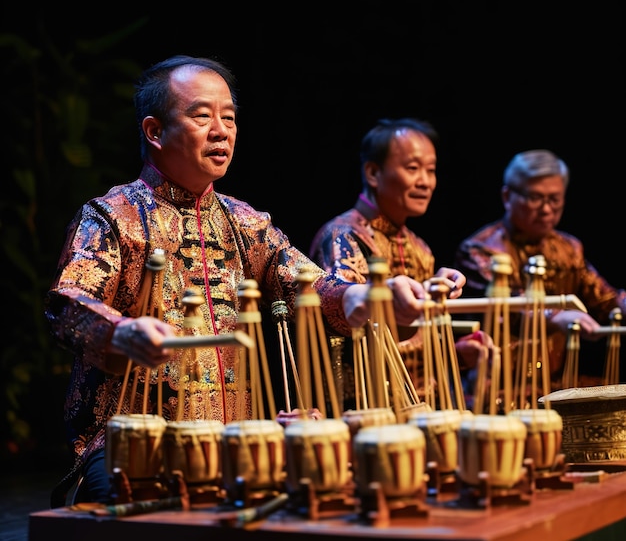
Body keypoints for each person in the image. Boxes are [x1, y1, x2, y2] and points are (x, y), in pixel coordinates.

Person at [44, 56, 465, 507]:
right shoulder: (114, 217)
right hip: (132, 446)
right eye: (201, 115)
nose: (221, 130)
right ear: (154, 131)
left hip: (232, 442)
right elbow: (67, 304)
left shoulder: (246, 224)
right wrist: (121, 332)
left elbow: (311, 286)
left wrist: (369, 296)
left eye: (228, 117)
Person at [309, 117, 487, 408]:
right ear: (373, 172)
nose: (425, 181)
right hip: (369, 410)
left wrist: (457, 353)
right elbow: (353, 332)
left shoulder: (420, 248)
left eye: (431, 170)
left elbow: (418, 345)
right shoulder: (344, 235)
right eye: (413, 168)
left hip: (422, 406)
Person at [453, 148, 626, 389]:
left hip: (554, 384)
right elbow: (509, 307)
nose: (546, 209)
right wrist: (557, 316)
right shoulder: (480, 250)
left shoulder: (569, 249)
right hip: (495, 386)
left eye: (554, 199)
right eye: (535, 198)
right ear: (507, 197)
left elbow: (605, 300)